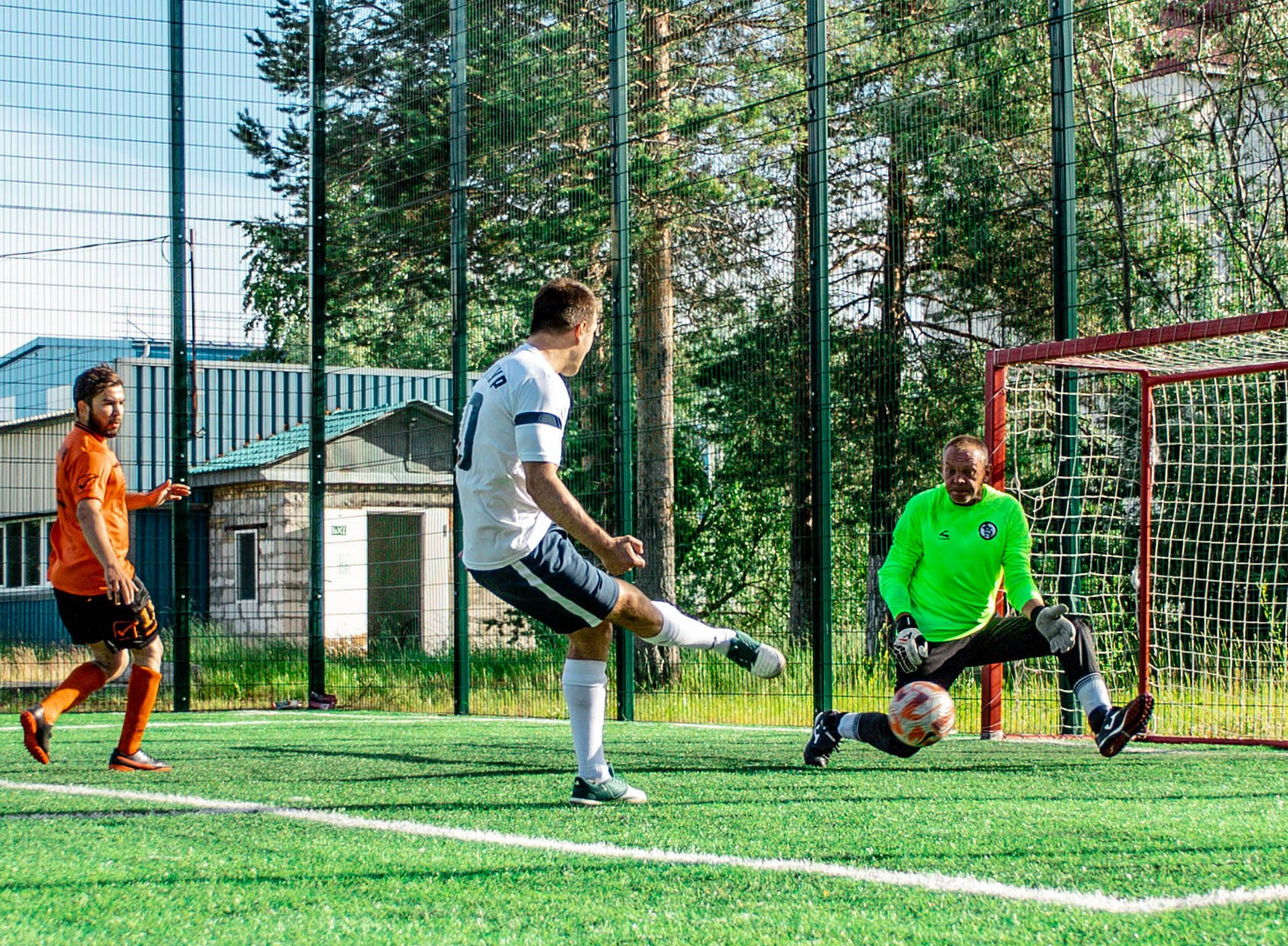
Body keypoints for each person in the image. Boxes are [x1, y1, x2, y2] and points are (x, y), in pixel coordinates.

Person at [459, 278, 785, 803]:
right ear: (581, 329)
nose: (591, 347)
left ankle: (592, 776)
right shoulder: (542, 380)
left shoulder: (501, 371)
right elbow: (541, 482)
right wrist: (604, 544)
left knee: (592, 627)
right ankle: (724, 641)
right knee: (630, 607)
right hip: (517, 547)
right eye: (595, 335)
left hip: (505, 541)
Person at [803, 432, 1142, 766]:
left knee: (1074, 628)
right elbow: (892, 573)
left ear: (986, 473)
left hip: (983, 630)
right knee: (904, 741)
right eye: (950, 471)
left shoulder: (1006, 511)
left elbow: (1018, 577)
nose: (957, 480)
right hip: (927, 641)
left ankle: (1103, 721)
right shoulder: (922, 508)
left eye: (968, 472)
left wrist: (1038, 613)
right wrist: (905, 624)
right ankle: (833, 723)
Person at [18, 364, 190, 772]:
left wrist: (147, 499)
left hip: (68, 582)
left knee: (111, 662)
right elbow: (88, 510)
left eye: (121, 403)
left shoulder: (74, 444)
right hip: (103, 581)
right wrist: (112, 566)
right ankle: (128, 751)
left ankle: (45, 713)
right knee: (150, 651)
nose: (117, 412)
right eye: (107, 404)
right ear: (83, 407)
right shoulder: (94, 453)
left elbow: (101, 500)